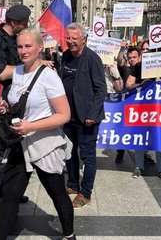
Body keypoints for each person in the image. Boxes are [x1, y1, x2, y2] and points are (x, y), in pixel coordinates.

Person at [0, 29, 75, 240]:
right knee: (10, 195)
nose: (23, 51)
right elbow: (17, 104)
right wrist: (6, 107)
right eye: (20, 46)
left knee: (57, 194)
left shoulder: (49, 76)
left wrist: (32, 126)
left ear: (40, 48)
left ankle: (69, 235)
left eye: (28, 46)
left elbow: (64, 115)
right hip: (20, 143)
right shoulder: (17, 71)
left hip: (44, 145)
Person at [0, 4, 41, 219]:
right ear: (14, 23)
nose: (27, 26)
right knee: (2, 158)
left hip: (16, 104)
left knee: (17, 154)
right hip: (1, 106)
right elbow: (0, 72)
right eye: (24, 23)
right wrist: (33, 65)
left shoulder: (14, 39)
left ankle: (12, 194)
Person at [59, 23, 106, 209]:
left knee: (88, 157)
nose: (70, 42)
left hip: (87, 118)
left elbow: (101, 89)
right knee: (69, 153)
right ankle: (72, 184)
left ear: (84, 40)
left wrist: (92, 115)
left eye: (74, 38)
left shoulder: (92, 59)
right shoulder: (66, 56)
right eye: (68, 38)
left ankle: (85, 193)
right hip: (68, 115)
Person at [125, 48, 161, 181]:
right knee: (140, 136)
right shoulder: (138, 67)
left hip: (160, 109)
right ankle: (139, 167)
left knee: (160, 136)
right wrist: (142, 84)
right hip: (142, 108)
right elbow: (129, 84)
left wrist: (160, 81)